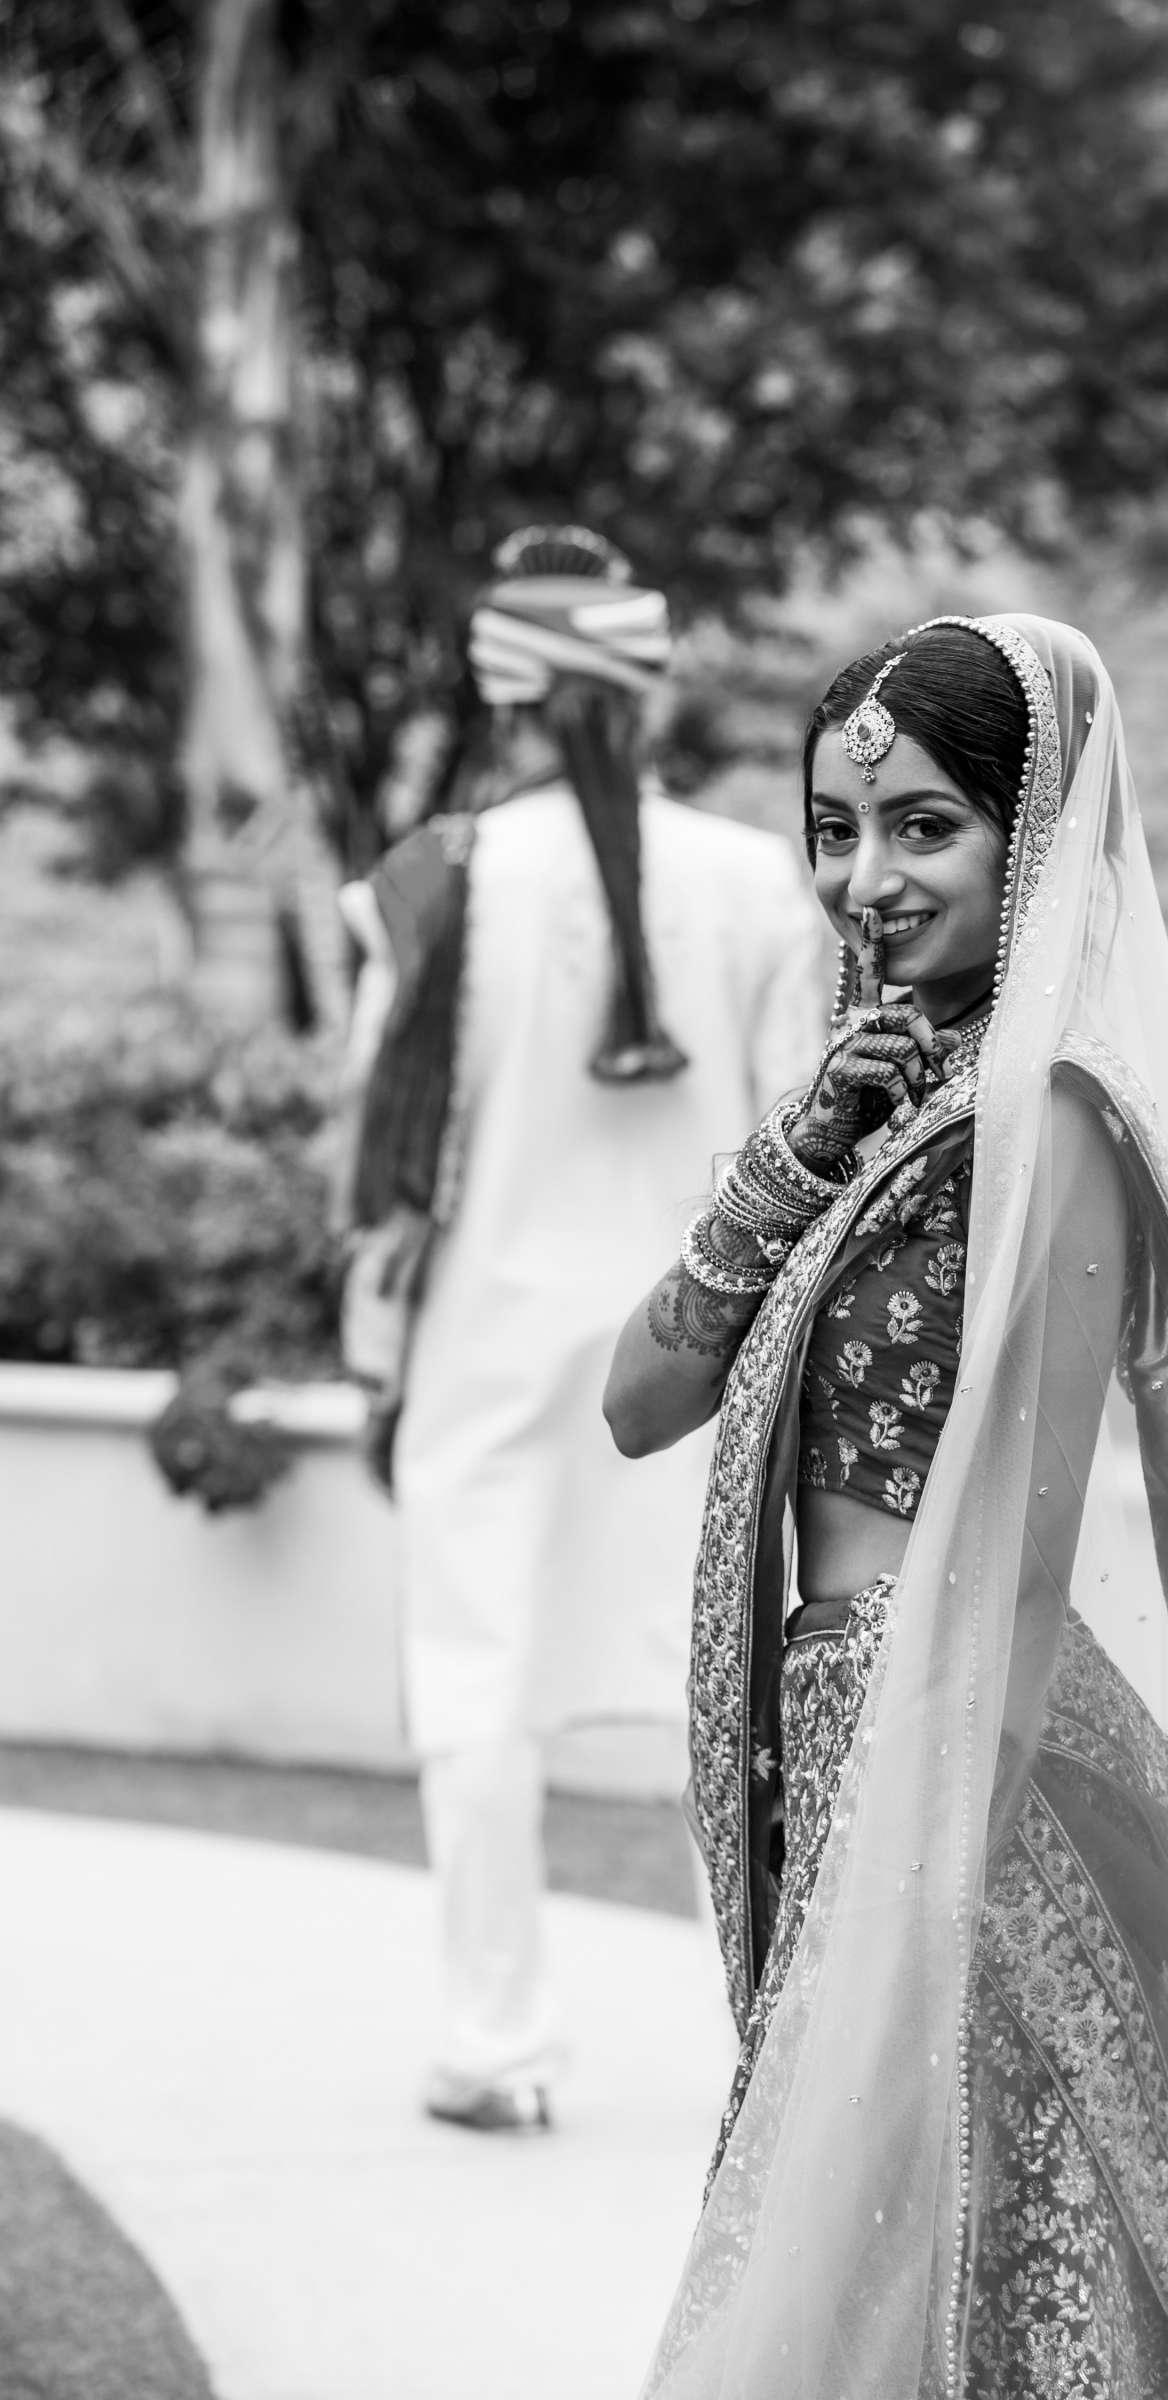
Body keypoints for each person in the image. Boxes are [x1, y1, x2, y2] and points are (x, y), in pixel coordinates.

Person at [604, 615, 1168, 2397]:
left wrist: (914, 1860)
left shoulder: (1060, 1118)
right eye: (839, 827)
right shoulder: (868, 1107)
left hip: (964, 1766)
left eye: (925, 826)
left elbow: (1014, 1548)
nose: (868, 876)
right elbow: (642, 1401)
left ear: (1031, 835)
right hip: (844, 1725)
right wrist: (788, 1156)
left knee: (1015, 2241)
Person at [338, 527, 826, 2133]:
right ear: (648, 686)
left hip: (484, 1343)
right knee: (730, 1688)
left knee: (475, 1687)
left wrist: (373, 1360)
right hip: (699, 1346)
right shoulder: (760, 881)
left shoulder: (434, 879)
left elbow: (383, 1164)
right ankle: (768, 2049)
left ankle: (493, 2047)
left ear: (512, 704)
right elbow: (805, 1137)